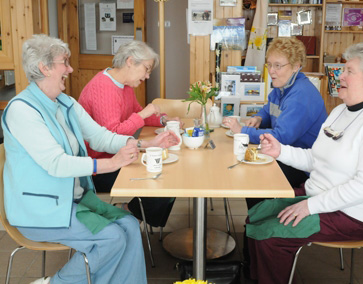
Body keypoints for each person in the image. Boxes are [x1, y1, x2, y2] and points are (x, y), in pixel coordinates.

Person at [1, 34, 179, 284]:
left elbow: (100, 137)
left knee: (128, 224)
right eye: (65, 62)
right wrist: (111, 163)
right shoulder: (22, 110)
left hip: (73, 201)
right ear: (45, 67)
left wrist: (145, 143)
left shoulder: (65, 103)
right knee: (112, 239)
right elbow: (56, 163)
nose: (71, 69)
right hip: (40, 211)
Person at [248, 43, 363, 284]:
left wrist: (310, 206)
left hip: (353, 215)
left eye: (349, 70)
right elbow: (313, 159)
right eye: (343, 68)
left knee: (270, 236)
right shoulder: (340, 111)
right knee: (256, 214)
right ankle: (259, 276)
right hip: (318, 196)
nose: (340, 74)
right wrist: (279, 151)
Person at [78, 40, 180, 227]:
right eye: (147, 69)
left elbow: (138, 115)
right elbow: (112, 135)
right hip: (99, 166)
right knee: (161, 181)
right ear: (130, 61)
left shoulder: (124, 86)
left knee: (168, 175)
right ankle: (127, 213)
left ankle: (134, 215)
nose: (148, 76)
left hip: (120, 154)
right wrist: (143, 114)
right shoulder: (103, 87)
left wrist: (164, 120)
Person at [223, 37, 327, 190]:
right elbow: (268, 109)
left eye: (278, 65)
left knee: (252, 173)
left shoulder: (301, 95)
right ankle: (256, 213)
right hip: (285, 153)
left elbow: (281, 136)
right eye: (269, 64)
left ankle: (259, 213)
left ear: (296, 66)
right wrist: (259, 117)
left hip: (304, 166)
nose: (271, 71)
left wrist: (242, 131)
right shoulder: (283, 86)